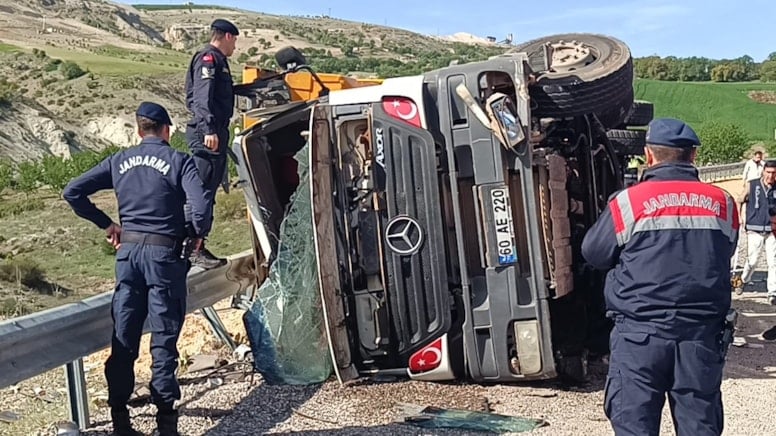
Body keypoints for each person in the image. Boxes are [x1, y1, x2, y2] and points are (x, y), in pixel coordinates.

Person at [581, 118, 739, 436]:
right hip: (700, 336)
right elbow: (727, 248)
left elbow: (594, 254)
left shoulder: (628, 202)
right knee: (700, 425)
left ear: (649, 155)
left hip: (640, 336)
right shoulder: (723, 202)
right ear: (693, 156)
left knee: (635, 424)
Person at [63, 102, 212, 436]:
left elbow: (72, 192)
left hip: (128, 256)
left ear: (138, 129)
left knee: (124, 336)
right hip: (164, 257)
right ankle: (166, 424)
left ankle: (121, 421)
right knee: (163, 339)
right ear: (166, 130)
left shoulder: (119, 161)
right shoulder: (179, 161)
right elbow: (201, 209)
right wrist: (196, 234)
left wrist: (107, 224)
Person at [183, 18, 239, 269]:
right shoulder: (208, 59)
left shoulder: (219, 61)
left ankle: (197, 244)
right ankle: (191, 248)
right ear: (227, 36)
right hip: (208, 134)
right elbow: (201, 98)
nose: (235, 46)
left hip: (216, 131)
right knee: (200, 194)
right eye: (234, 41)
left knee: (207, 194)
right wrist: (208, 129)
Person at [739, 160, 776, 305]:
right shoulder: (752, 184)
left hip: (773, 229)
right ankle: (743, 279)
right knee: (753, 260)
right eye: (768, 172)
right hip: (755, 227)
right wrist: (741, 217)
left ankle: (772, 292)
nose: (770, 176)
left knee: (773, 262)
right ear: (763, 171)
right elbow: (740, 199)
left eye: (774, 173)